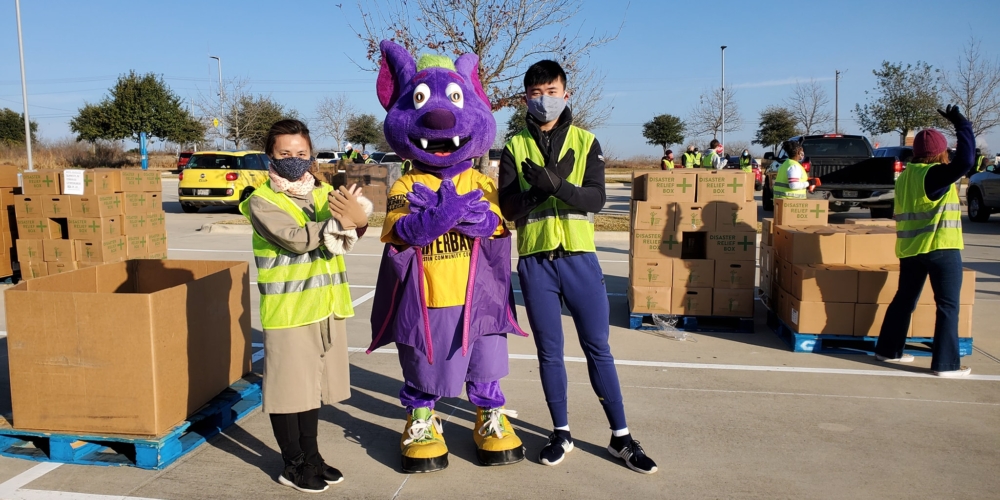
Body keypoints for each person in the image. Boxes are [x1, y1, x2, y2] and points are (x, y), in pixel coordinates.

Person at [368, 40, 526, 474]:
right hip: (429, 295)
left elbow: (493, 226)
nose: (440, 117)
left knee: (486, 362)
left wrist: (455, 212)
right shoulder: (404, 185)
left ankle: (488, 418)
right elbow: (403, 232)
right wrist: (447, 213)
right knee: (423, 363)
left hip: (480, 295)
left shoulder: (482, 180)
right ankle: (421, 421)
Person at [498, 59, 658, 474]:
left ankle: (621, 437)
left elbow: (596, 200)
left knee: (598, 349)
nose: (544, 100)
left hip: (580, 261)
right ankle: (560, 432)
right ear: (525, 98)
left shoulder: (587, 142)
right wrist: (537, 193)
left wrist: (560, 187)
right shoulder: (514, 146)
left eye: (551, 92)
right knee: (549, 352)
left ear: (566, 95)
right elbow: (509, 208)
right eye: (536, 93)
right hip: (535, 264)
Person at [240, 119, 373, 493]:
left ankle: (312, 456)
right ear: (270, 156)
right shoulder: (261, 201)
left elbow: (347, 231)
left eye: (301, 153)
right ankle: (292, 463)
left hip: (326, 307)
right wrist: (341, 221)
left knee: (310, 389)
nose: (294, 160)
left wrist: (358, 219)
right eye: (285, 154)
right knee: (287, 392)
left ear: (311, 154)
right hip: (289, 312)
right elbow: (297, 240)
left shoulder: (322, 192)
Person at [874, 105, 974, 377]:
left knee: (904, 300)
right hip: (940, 247)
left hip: (911, 250)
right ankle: (946, 364)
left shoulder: (907, 176)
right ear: (940, 152)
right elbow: (966, 162)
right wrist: (962, 124)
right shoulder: (935, 176)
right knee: (948, 305)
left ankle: (889, 350)